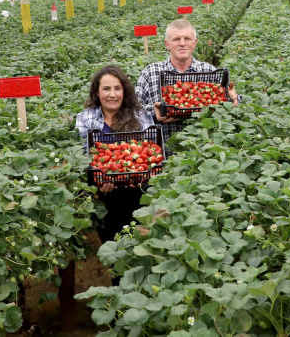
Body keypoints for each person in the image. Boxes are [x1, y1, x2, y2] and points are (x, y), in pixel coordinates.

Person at [76, 65, 153, 245]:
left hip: (138, 193)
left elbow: (150, 151)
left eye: (117, 88)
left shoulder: (140, 116)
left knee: (141, 242)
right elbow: (83, 157)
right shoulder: (85, 118)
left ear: (124, 91)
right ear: (96, 92)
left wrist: (138, 173)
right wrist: (98, 180)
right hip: (104, 197)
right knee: (113, 245)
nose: (112, 94)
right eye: (106, 89)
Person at [135, 19, 240, 137]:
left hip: (203, 148)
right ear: (167, 44)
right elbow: (132, 109)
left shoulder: (209, 71)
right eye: (176, 39)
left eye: (187, 39)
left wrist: (233, 98)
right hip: (161, 150)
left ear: (195, 43)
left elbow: (228, 101)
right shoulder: (150, 73)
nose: (182, 43)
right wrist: (153, 112)